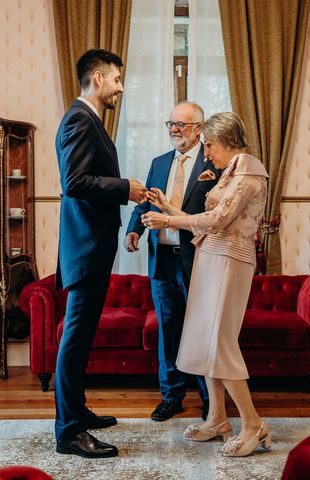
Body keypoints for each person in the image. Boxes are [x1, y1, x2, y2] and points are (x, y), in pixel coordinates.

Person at [142, 112, 271, 457]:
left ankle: (253, 423)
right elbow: (204, 223)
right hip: (210, 256)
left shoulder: (248, 171)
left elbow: (220, 218)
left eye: (210, 144)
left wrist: (169, 219)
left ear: (227, 141)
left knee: (219, 341)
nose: (207, 152)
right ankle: (217, 418)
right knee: (203, 338)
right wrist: (166, 206)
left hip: (230, 260)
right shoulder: (231, 170)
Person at [54, 48, 147, 459]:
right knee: (75, 339)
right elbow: (75, 182)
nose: (120, 87)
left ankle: (77, 412)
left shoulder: (87, 120)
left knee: (82, 336)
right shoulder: (78, 119)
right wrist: (125, 187)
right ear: (96, 78)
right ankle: (69, 431)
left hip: (91, 246)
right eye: (116, 79)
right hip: (86, 248)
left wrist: (124, 188)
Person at [124, 101, 218, 422]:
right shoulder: (159, 163)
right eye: (170, 123)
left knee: (203, 330)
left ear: (198, 129)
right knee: (168, 330)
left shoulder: (213, 163)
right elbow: (146, 203)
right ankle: (172, 396)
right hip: (162, 259)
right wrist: (133, 231)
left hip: (200, 260)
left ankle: (210, 399)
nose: (174, 129)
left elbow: (214, 215)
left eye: (181, 124)